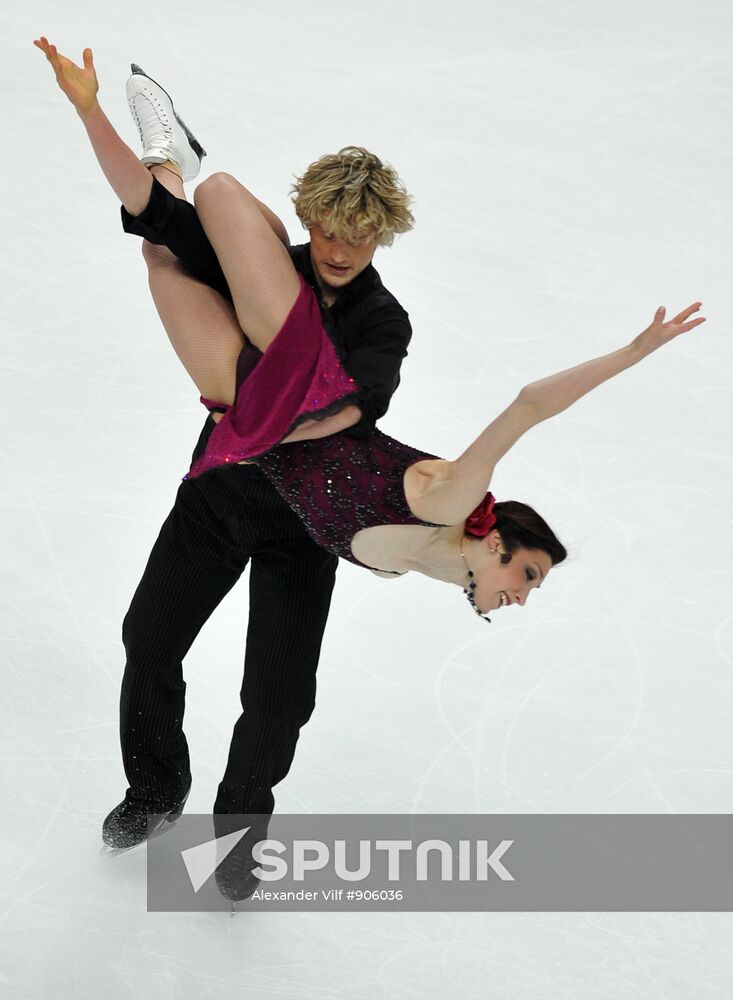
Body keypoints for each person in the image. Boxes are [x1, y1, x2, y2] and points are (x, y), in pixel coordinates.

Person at [34, 38, 419, 890]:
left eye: (359, 235)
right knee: (148, 638)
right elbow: (152, 215)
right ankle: (155, 788)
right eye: (327, 229)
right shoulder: (266, 269)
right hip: (218, 494)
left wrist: (266, 421)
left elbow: (358, 406)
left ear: (378, 236)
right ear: (309, 220)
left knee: (278, 699)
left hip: (301, 525)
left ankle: (238, 836)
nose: (340, 249)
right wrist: (87, 109)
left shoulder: (381, 321)